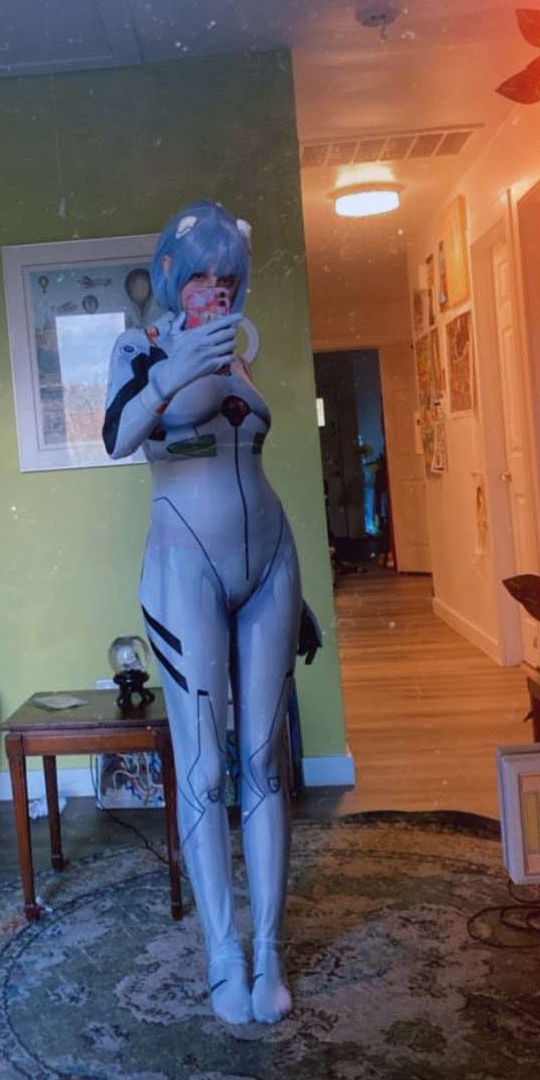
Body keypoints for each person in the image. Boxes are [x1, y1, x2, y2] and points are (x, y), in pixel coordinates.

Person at [102, 201, 321, 1026]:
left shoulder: (242, 351)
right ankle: (222, 953)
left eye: (228, 276)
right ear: (169, 275)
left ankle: (269, 951)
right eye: (200, 274)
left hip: (270, 563)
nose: (216, 289)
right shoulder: (140, 348)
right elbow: (116, 437)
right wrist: (174, 369)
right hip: (183, 566)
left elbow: (248, 461)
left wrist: (299, 605)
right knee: (202, 769)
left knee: (264, 761)